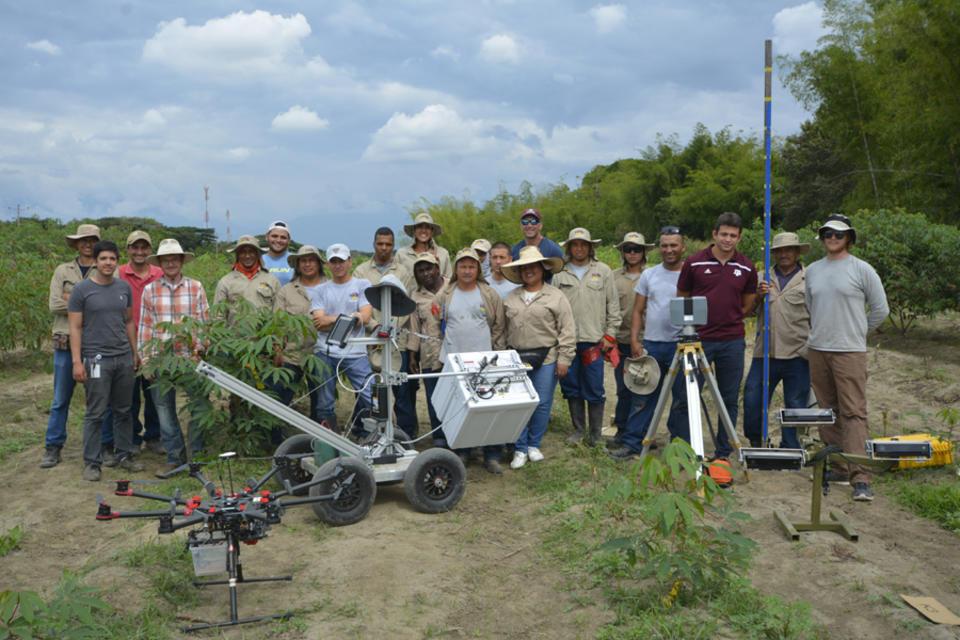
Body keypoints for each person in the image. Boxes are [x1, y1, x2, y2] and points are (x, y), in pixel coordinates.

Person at [805, 214, 888, 502]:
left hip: (850, 351)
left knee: (853, 413)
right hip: (818, 349)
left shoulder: (862, 269)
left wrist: (857, 332)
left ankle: (860, 476)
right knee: (827, 410)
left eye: (838, 234)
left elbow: (880, 309)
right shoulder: (813, 271)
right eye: (827, 233)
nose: (832, 238)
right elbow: (810, 307)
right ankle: (838, 466)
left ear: (849, 238)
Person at [676, 212, 758, 461]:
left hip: (732, 341)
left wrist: (729, 318)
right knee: (686, 396)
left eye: (733, 235)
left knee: (729, 397)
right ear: (714, 234)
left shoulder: (746, 266)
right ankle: (686, 449)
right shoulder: (694, 262)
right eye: (724, 234)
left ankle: (723, 451)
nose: (728, 239)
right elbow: (683, 296)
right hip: (697, 340)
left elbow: (747, 305)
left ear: (739, 237)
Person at [68, 240, 143, 481]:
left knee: (124, 409)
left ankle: (124, 455)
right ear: (96, 262)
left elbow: (129, 321)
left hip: (122, 358)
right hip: (96, 359)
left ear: (117, 261)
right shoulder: (82, 290)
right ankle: (92, 462)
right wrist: (77, 362)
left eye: (112, 259)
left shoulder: (123, 288)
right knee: (96, 412)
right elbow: (75, 327)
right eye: (103, 259)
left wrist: (134, 351)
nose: (108, 263)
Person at [610, 227, 687, 459]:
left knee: (681, 399)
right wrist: (635, 340)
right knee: (642, 396)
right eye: (665, 245)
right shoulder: (649, 275)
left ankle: (679, 446)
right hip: (653, 344)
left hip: (682, 345)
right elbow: (638, 310)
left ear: (682, 247)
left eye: (674, 245)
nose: (669, 250)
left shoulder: (690, 273)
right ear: (659, 248)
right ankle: (633, 443)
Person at [41, 223, 110, 469]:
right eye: (84, 240)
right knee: (61, 398)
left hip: (96, 345)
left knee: (100, 399)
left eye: (92, 240)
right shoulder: (63, 270)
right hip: (64, 343)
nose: (88, 244)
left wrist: (73, 299)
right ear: (77, 243)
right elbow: (53, 304)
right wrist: (89, 301)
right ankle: (53, 446)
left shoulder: (105, 267)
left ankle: (102, 445)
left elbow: (108, 303)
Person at [138, 239, 211, 475]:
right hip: (161, 359)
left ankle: (197, 454)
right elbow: (145, 327)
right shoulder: (150, 290)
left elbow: (203, 322)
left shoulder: (195, 287)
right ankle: (175, 456)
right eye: (165, 259)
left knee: (199, 406)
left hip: (190, 358)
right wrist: (146, 360)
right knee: (164, 410)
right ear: (160, 262)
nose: (170, 262)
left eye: (174, 258)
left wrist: (199, 351)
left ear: (181, 261)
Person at [500, 246, 576, 469]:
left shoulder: (556, 296)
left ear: (542, 269)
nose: (528, 271)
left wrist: (565, 358)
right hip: (516, 356)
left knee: (542, 402)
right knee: (519, 403)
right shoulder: (510, 298)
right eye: (524, 268)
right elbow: (503, 329)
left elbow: (567, 329)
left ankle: (534, 444)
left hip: (547, 356)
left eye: (533, 267)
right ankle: (520, 447)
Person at [434, 248, 507, 473]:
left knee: (487, 405)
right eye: (463, 266)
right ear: (456, 269)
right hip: (455, 362)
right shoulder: (446, 293)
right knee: (459, 407)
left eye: (471, 266)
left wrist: (497, 355)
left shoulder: (489, 293)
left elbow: (498, 326)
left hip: (484, 360)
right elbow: (437, 323)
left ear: (478, 269)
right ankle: (462, 451)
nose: (467, 271)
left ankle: (491, 454)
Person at [742, 232, 812, 450]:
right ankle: (757, 442)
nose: (784, 254)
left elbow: (818, 314)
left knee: (795, 403)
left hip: (797, 352)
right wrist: (759, 295)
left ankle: (790, 446)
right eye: (779, 251)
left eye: (789, 250)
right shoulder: (762, 276)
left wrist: (808, 347)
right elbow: (749, 310)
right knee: (753, 397)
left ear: (797, 252)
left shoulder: (809, 278)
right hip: (765, 352)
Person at [552, 228, 621, 446]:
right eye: (575, 244)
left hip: (595, 341)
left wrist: (610, 335)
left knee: (594, 387)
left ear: (590, 247)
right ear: (569, 247)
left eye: (583, 244)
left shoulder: (603, 271)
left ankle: (595, 434)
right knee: (571, 386)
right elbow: (552, 308)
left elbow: (613, 305)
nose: (579, 248)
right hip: (568, 341)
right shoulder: (559, 274)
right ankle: (579, 430)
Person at [353, 227, 418, 439]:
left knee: (401, 391)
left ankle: (406, 435)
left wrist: (392, 327)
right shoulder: (361, 272)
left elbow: (409, 304)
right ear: (374, 244)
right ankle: (366, 432)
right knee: (370, 389)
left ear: (393, 246)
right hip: (370, 338)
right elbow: (358, 303)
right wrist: (374, 326)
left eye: (388, 244)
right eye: (380, 243)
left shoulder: (403, 272)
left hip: (397, 339)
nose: (384, 248)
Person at [310, 243, 374, 435]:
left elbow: (366, 316)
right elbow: (318, 322)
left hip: (355, 351)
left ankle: (369, 433)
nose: (338, 265)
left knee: (369, 392)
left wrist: (334, 320)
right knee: (325, 400)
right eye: (334, 261)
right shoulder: (320, 290)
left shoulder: (362, 285)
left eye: (342, 261)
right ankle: (330, 438)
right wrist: (349, 318)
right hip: (325, 350)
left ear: (350, 262)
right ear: (328, 264)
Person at [118, 230, 163, 455]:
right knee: (129, 395)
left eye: (144, 247)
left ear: (150, 250)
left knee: (154, 393)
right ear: (127, 249)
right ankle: (133, 437)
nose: (139, 251)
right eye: (134, 247)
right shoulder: (118, 274)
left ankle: (154, 436)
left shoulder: (160, 273)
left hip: (155, 343)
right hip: (125, 343)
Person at [273, 245, 326, 422]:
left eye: (311, 260)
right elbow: (278, 324)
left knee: (321, 402)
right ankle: (277, 440)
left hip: (320, 353)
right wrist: (278, 351)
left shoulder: (330, 287)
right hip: (292, 354)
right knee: (281, 398)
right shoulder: (286, 290)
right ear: (297, 264)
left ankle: (319, 441)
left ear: (319, 264)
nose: (307, 264)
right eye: (303, 261)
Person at [610, 232, 655, 440]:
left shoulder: (652, 275)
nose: (632, 253)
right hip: (620, 340)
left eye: (637, 249)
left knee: (645, 388)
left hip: (647, 339)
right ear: (622, 252)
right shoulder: (613, 277)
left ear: (644, 251)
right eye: (628, 249)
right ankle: (622, 428)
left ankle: (644, 432)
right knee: (623, 388)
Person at [407, 253, 448, 448]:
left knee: (456, 396)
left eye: (429, 268)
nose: (426, 274)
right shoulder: (416, 296)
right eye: (421, 271)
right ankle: (439, 436)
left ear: (437, 268)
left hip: (453, 352)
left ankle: (460, 438)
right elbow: (415, 328)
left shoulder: (452, 287)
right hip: (429, 353)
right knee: (434, 397)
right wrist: (412, 355)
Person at [214, 234, 280, 323]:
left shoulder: (271, 280)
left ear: (257, 254)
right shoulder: (226, 281)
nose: (247, 256)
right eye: (243, 252)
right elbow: (218, 315)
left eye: (251, 251)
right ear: (237, 255)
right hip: (235, 336)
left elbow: (278, 313)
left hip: (263, 334)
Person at [397, 212, 452, 279]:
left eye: (427, 227)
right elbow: (395, 279)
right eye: (420, 226)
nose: (423, 230)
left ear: (432, 231)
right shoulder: (402, 254)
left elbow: (449, 281)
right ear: (414, 230)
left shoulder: (443, 254)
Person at [261, 220, 294, 286]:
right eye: (274, 236)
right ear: (267, 237)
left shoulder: (296, 260)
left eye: (283, 237)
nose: (278, 240)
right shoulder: (258, 260)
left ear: (289, 240)